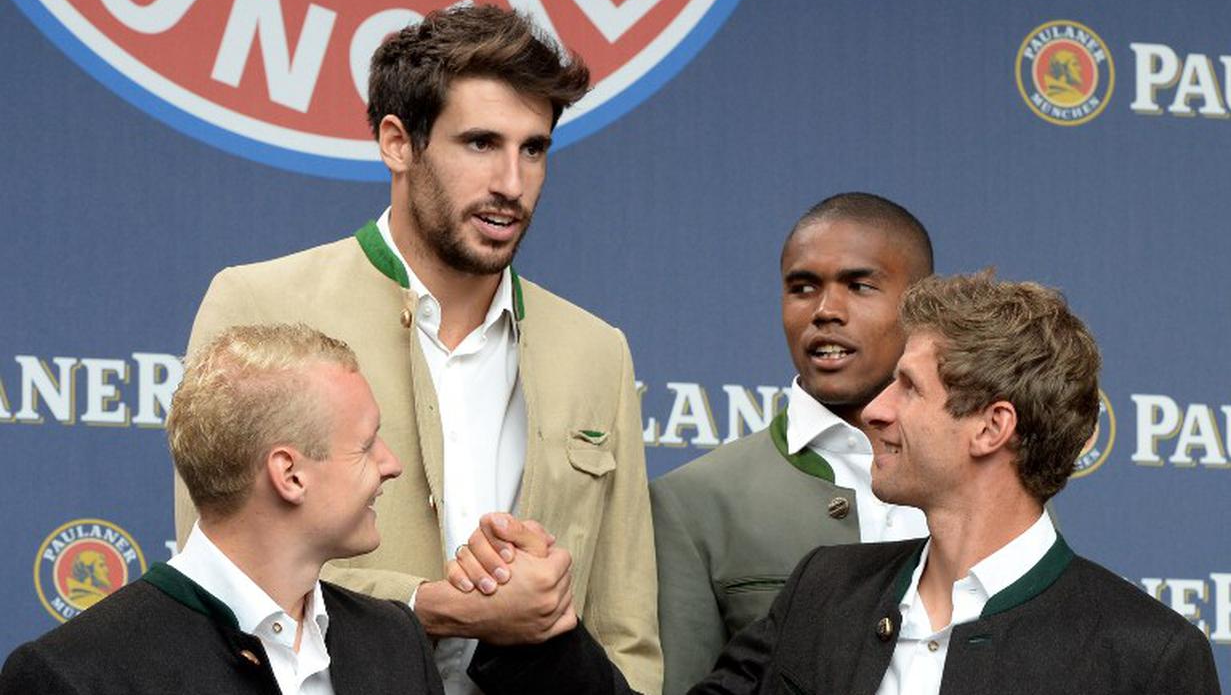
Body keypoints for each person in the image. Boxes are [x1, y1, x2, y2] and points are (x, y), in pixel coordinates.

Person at [173, 4, 661, 695]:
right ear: (398, 142)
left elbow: (626, 634)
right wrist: (430, 606)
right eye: (480, 143)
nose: (511, 185)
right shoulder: (259, 305)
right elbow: (220, 565)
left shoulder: (596, 350)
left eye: (534, 148)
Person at [465, 272, 1222, 695]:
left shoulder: (1146, 658)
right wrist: (544, 634)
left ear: (990, 428)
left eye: (908, 389)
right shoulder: (826, 591)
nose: (877, 411)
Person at [1, 323, 444, 694]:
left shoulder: (395, 641)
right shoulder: (72, 675)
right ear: (289, 475)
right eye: (366, 446)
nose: (392, 465)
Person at [651, 192, 933, 693]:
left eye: (859, 285)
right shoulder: (694, 501)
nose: (826, 310)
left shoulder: (989, 478)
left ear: (921, 305)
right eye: (802, 288)